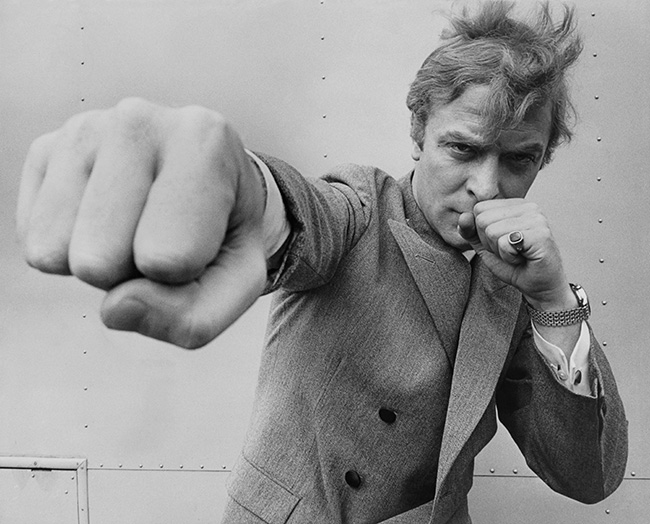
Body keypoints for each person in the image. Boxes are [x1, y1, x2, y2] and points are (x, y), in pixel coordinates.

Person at [17, 1, 627, 523]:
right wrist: (240, 188)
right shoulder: (360, 208)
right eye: (462, 149)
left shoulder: (519, 282)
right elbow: (299, 215)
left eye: (519, 159)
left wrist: (553, 302)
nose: (486, 187)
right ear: (418, 133)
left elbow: (588, 478)